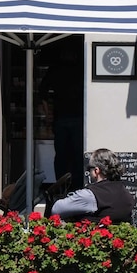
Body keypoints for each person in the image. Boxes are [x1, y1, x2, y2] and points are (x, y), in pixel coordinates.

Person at [39, 46, 84, 190]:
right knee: (77, 154)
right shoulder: (81, 69)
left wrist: (47, 114)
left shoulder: (55, 69)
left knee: (61, 155)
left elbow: (42, 93)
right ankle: (77, 185)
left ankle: (60, 184)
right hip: (78, 118)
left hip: (61, 118)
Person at [50, 148, 135, 223]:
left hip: (95, 239)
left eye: (89, 168)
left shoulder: (90, 195)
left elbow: (56, 209)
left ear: (96, 171)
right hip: (119, 239)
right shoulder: (125, 192)